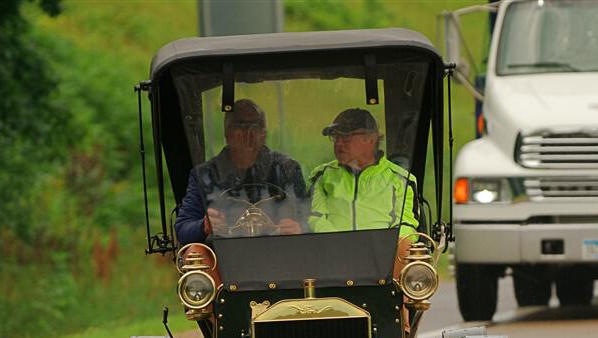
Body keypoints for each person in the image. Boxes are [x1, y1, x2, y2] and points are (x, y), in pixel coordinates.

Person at [175, 99, 307, 245]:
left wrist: (300, 228)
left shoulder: (287, 169)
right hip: (224, 259)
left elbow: (310, 219)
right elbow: (182, 229)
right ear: (227, 133)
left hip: (281, 256)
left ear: (264, 134)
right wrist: (204, 226)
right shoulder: (205, 175)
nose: (248, 133)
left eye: (255, 126)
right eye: (241, 126)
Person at [308, 108, 420, 269]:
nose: (338, 143)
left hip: (384, 265)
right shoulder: (321, 176)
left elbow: (406, 227)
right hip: (331, 259)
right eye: (335, 137)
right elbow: (314, 217)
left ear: (370, 139)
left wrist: (376, 249)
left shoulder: (401, 179)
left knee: (405, 247)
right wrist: (339, 243)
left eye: (346, 136)